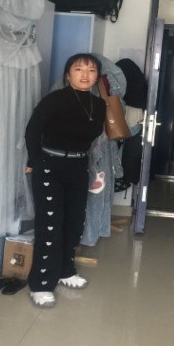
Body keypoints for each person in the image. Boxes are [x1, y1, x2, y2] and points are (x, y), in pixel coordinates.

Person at [24, 53, 106, 308]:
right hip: (50, 165)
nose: (85, 75)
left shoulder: (98, 104)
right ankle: (41, 283)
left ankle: (65, 271)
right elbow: (33, 130)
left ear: (97, 76)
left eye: (91, 70)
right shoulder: (55, 100)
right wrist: (34, 160)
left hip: (79, 166)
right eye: (78, 69)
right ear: (68, 75)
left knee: (74, 222)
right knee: (51, 224)